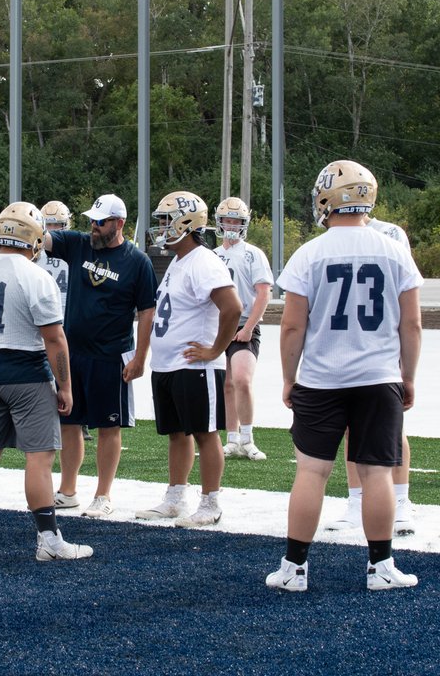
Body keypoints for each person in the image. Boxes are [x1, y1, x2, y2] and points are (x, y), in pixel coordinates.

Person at [267, 160, 422, 592]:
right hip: (378, 375)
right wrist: (408, 376)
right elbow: (411, 325)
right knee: (376, 473)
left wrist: (287, 377)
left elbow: (293, 325)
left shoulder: (310, 253)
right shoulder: (394, 250)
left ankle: (294, 568)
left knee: (311, 473)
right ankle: (381, 567)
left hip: (321, 378)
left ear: (328, 198)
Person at [0, 202, 92, 561]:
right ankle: (49, 540)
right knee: (39, 458)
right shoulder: (35, 276)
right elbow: (55, 339)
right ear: (35, 237)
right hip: (26, 373)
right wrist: (66, 386)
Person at [44, 194, 157, 518]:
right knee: (70, 421)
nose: (94, 226)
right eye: (92, 220)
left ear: (119, 223)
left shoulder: (137, 262)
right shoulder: (79, 244)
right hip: (72, 353)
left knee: (109, 427)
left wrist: (139, 358)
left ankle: (103, 494)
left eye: (101, 221)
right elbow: (39, 236)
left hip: (110, 355)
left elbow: (147, 312)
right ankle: (67, 490)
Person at [136, 192, 241, 527]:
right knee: (177, 434)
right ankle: (175, 497)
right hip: (169, 364)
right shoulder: (179, 261)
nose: (161, 228)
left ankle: (210, 503)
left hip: (195, 365)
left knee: (204, 433)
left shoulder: (203, 260)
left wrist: (215, 349)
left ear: (186, 222)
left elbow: (233, 308)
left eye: (166, 221)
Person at [326, 214, 418, 536]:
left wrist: (408, 367)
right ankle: (356, 501)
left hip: (380, 345)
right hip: (345, 345)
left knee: (391, 431)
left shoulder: (390, 234)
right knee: (352, 429)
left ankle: (402, 501)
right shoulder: (337, 235)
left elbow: (404, 294)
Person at [212, 197, 273, 461]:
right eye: (228, 219)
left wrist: (249, 327)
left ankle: (248, 438)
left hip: (244, 323)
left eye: (236, 220)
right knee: (226, 385)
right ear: (220, 221)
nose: (231, 225)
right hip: (217, 325)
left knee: (242, 380)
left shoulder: (253, 254)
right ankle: (232, 439)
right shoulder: (213, 256)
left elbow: (263, 293)